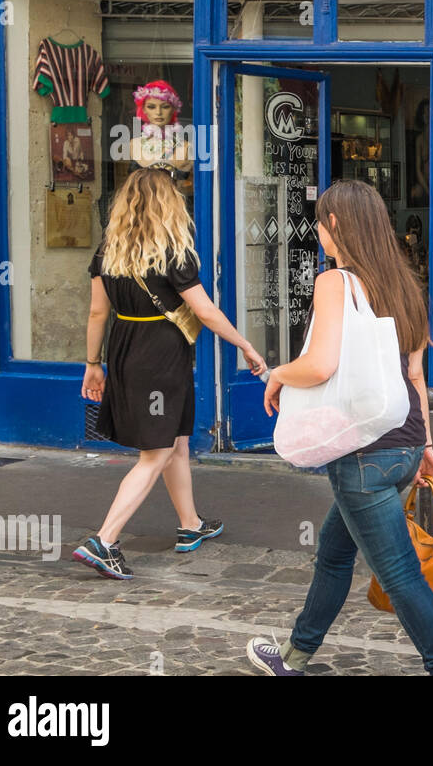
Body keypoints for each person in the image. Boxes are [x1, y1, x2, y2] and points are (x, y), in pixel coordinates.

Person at [248, 179, 433, 677]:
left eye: (320, 223)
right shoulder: (405, 283)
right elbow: (414, 374)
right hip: (404, 442)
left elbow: (319, 366)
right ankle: (296, 657)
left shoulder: (334, 282)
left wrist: (277, 373)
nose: (318, 233)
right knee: (334, 554)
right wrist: (426, 444)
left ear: (335, 225)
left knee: (400, 572)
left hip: (362, 450)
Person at [74, 167, 266, 580]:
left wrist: (93, 364)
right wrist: (244, 345)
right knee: (156, 452)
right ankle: (104, 541)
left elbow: (96, 312)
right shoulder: (174, 253)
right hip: (160, 356)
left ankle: (190, 524)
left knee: (176, 439)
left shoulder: (108, 251)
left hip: (125, 349)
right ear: (170, 205)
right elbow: (206, 312)